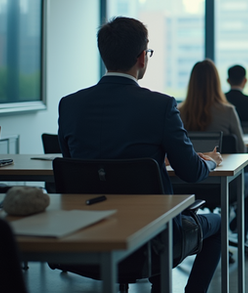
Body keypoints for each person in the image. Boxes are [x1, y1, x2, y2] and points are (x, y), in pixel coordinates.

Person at [57, 17, 223, 293]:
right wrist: (210, 160)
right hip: (153, 239)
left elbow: (73, 165)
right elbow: (191, 172)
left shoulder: (69, 105)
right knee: (216, 224)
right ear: (141, 58)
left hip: (86, 233)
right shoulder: (161, 105)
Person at [178, 59, 248, 235]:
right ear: (217, 82)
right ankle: (239, 232)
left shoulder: (178, 112)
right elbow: (241, 151)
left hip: (184, 186)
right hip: (222, 187)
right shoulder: (228, 111)